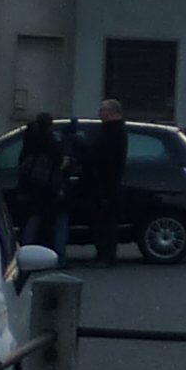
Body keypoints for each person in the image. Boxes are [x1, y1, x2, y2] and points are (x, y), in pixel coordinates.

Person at [72, 96, 132, 265]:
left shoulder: (114, 133)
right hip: (104, 184)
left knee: (105, 222)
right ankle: (103, 255)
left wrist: (82, 149)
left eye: (103, 110)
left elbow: (100, 157)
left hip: (105, 185)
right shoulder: (111, 131)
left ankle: (106, 256)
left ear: (112, 112)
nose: (100, 113)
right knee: (101, 221)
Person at [13, 112, 67, 255]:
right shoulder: (51, 141)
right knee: (43, 221)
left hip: (28, 185)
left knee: (30, 221)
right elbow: (58, 161)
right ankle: (54, 254)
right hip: (46, 187)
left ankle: (24, 251)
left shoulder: (29, 138)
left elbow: (22, 161)